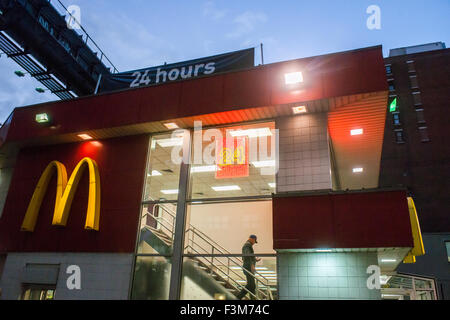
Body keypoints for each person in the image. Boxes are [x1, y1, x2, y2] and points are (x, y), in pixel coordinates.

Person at [236, 234, 261, 300]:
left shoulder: (247, 245)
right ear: (252, 239)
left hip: (248, 266)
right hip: (248, 267)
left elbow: (248, 255)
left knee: (252, 285)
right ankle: (238, 297)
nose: (254, 243)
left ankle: (252, 298)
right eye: (254, 241)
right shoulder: (247, 245)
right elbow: (248, 255)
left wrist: (255, 259)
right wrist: (252, 265)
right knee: (251, 285)